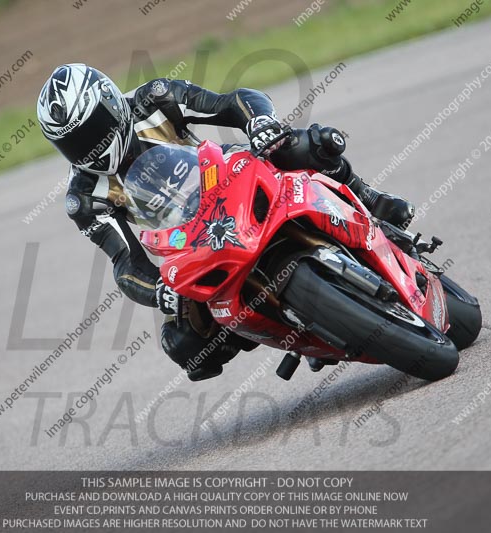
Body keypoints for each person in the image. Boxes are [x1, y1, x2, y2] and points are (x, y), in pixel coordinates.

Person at [36, 64, 414, 381]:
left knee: (306, 144)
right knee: (184, 346)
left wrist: (259, 123)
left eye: (93, 129)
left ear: (112, 104)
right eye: (74, 143)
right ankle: (295, 328)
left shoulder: (156, 99)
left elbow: (232, 102)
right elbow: (126, 264)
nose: (90, 147)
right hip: (188, 241)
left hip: (228, 179)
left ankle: (369, 198)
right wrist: (159, 290)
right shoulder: (84, 197)